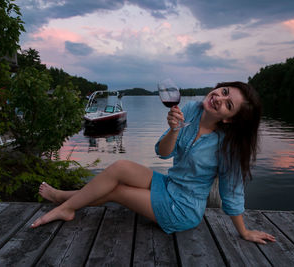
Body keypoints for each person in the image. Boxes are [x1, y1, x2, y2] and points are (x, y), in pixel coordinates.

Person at [31, 81, 276, 244]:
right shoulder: (190, 109)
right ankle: (66, 200)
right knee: (119, 168)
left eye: (228, 104)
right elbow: (162, 152)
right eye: (223, 91)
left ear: (229, 120)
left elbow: (231, 191)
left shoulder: (227, 147)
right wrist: (173, 130)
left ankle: (66, 204)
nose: (219, 98)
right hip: (168, 184)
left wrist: (243, 232)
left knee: (116, 190)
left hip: (183, 208)